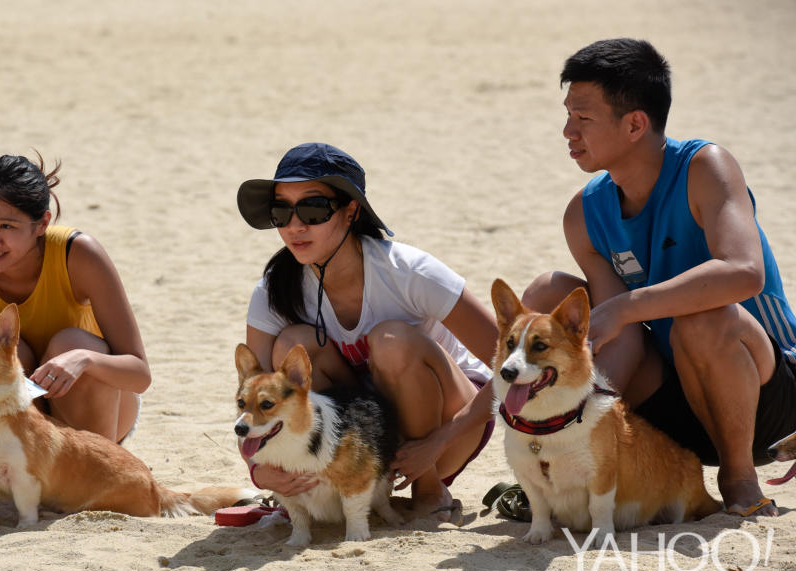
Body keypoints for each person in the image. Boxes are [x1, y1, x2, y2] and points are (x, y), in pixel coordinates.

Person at [522, 38, 796, 517]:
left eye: (583, 118)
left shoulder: (704, 166)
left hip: (772, 401)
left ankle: (738, 480)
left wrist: (627, 306)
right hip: (679, 400)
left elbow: (744, 273)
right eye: (567, 115)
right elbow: (620, 340)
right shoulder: (583, 214)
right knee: (550, 294)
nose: (568, 130)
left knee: (703, 317)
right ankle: (563, 464)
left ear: (635, 124)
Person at [235, 142, 498, 519]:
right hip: (365, 433)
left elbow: (517, 364)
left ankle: (429, 491)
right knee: (294, 345)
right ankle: (325, 484)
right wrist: (260, 471)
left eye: (312, 208)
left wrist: (438, 443)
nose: (295, 225)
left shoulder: (409, 272)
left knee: (392, 340)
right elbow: (253, 393)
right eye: (281, 211)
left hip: (448, 429)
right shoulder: (275, 289)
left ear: (351, 211)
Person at [0, 153, 151, 502]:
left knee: (72, 343)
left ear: (42, 223)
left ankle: (88, 471)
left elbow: (139, 375)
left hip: (94, 415)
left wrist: (84, 361)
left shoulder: (80, 254)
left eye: (8, 226)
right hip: (17, 427)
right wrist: (7, 413)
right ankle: (10, 473)